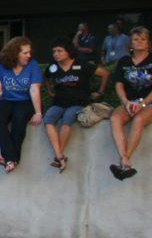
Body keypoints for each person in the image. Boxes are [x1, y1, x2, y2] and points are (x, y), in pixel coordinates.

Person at [109, 27, 152, 180]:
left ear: (148, 43)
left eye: (143, 39)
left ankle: (124, 160)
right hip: (130, 102)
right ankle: (125, 160)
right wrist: (126, 102)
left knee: (139, 119)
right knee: (115, 119)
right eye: (136, 39)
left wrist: (143, 104)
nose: (140, 42)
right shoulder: (123, 61)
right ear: (131, 44)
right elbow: (118, 85)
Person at [43, 38, 109, 172]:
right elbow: (45, 77)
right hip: (59, 102)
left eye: (59, 51)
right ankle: (60, 155)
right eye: (54, 51)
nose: (56, 54)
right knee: (48, 119)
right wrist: (50, 91)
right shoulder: (53, 67)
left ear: (68, 52)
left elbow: (105, 73)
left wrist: (100, 92)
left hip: (78, 102)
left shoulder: (82, 64)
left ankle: (58, 155)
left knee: (67, 120)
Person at [0, 37, 42, 173]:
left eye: (29, 52)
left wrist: (38, 112)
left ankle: (9, 158)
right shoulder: (1, 65)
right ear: (15, 53)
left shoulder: (33, 65)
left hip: (24, 100)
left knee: (19, 119)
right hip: (6, 99)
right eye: (25, 53)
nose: (29, 55)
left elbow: (34, 89)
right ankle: (11, 158)